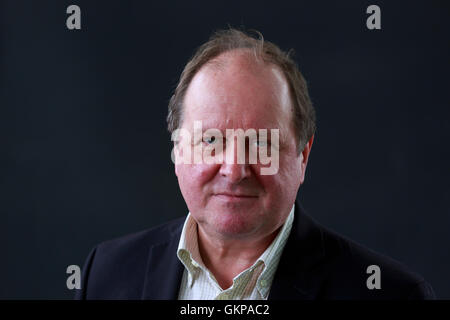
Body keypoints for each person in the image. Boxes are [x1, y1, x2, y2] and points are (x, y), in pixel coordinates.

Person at [75, 28, 435, 300]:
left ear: (302, 155)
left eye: (260, 143)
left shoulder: (391, 294)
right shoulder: (104, 275)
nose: (234, 170)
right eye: (211, 140)